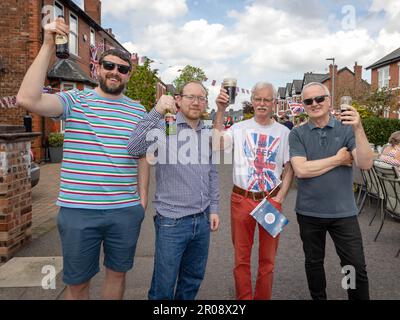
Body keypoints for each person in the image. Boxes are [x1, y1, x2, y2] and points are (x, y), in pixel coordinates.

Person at [16, 18, 149, 300]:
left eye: (123, 69)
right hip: (79, 210)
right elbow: (27, 99)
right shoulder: (75, 101)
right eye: (109, 66)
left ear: (129, 75)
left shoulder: (139, 112)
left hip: (124, 210)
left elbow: (142, 157)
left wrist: (142, 201)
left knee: (117, 274)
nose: (115, 72)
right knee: (77, 283)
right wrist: (48, 44)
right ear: (97, 68)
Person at [127, 80, 220, 300]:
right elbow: (133, 148)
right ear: (178, 99)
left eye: (201, 98)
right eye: (191, 97)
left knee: (192, 281)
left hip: (203, 219)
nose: (196, 102)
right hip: (172, 222)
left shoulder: (206, 132)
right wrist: (156, 111)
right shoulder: (165, 126)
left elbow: (212, 173)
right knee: (163, 286)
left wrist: (214, 208)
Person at [289, 82, 374, 300]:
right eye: (308, 101)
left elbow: (364, 163)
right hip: (309, 212)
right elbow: (300, 170)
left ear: (329, 100)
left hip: (343, 212)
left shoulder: (347, 129)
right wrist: (338, 159)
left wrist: (358, 127)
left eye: (319, 99)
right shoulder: (297, 134)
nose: (314, 104)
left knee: (353, 265)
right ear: (303, 105)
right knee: (314, 262)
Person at [213, 82, 294, 300]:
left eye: (267, 100)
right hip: (242, 198)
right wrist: (220, 111)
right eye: (258, 99)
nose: (261, 103)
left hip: (270, 200)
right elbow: (216, 144)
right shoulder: (239, 128)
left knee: (267, 260)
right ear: (252, 101)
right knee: (241, 259)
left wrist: (281, 197)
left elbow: (290, 167)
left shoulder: (284, 132)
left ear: (273, 103)